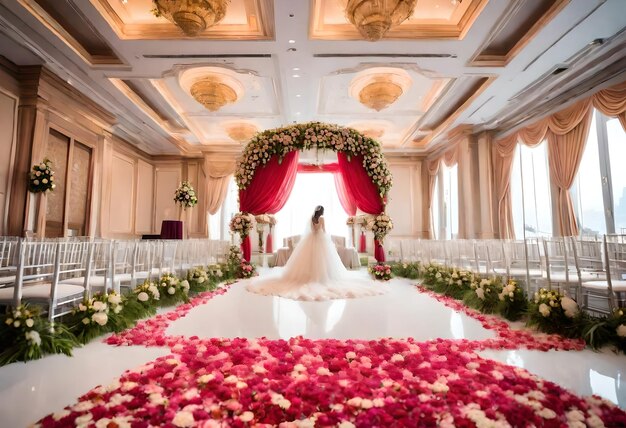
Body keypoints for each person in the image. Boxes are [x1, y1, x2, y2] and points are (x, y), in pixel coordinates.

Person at [246, 205, 389, 301]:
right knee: (324, 262)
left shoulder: (311, 219)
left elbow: (311, 230)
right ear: (322, 213)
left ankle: (307, 277)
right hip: (321, 240)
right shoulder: (322, 219)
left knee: (308, 261)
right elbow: (324, 231)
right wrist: (326, 238)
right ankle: (320, 278)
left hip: (311, 240)